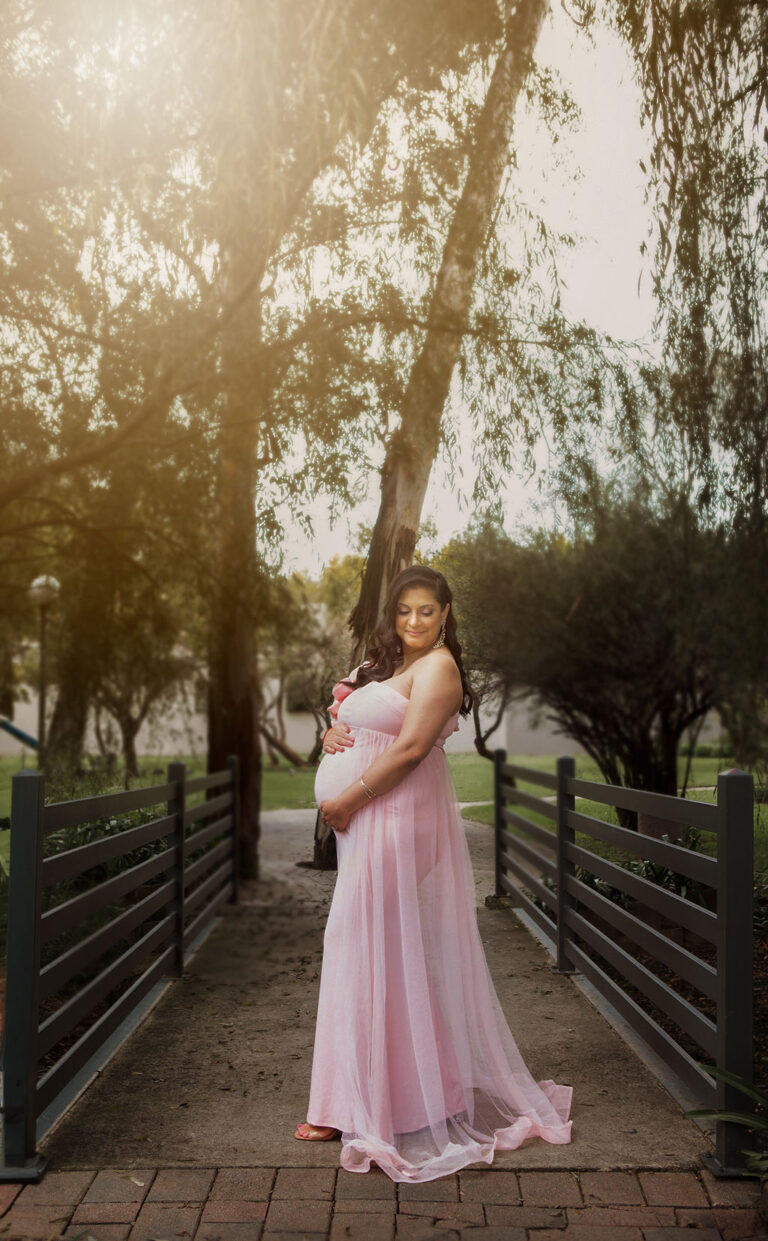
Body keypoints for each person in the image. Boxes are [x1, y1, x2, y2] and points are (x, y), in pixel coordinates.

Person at [294, 565, 573, 1182]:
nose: (415, 621)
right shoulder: (391, 665)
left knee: (357, 941)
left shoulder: (440, 666)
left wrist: (347, 800)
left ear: (446, 612)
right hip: (374, 815)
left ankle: (367, 1105)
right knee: (378, 947)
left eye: (426, 610)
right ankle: (401, 1096)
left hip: (388, 814)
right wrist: (335, 731)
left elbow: (413, 748)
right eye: (404, 611)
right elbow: (369, 725)